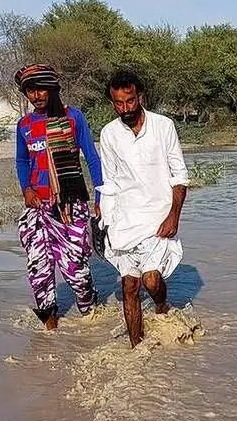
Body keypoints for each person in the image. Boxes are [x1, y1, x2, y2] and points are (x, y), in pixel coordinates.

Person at [97, 70, 189, 348]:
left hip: (158, 218)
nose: (125, 108)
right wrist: (104, 219)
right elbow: (109, 182)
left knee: (151, 281)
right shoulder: (109, 134)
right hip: (125, 220)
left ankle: (161, 307)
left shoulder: (163, 126)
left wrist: (174, 215)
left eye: (130, 101)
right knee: (129, 286)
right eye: (118, 103)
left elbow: (180, 175)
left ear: (141, 97)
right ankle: (137, 349)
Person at [14, 64, 103, 330]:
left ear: (53, 89)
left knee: (75, 270)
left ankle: (90, 315)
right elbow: (21, 160)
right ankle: (49, 333)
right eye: (30, 90)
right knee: (39, 271)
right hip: (37, 208)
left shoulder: (73, 118)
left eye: (41, 89)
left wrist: (101, 198)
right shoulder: (25, 125)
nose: (36, 95)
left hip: (70, 206)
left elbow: (92, 158)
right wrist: (26, 189)